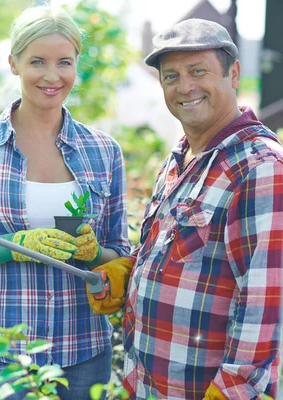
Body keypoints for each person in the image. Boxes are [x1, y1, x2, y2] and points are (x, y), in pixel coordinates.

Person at [0, 6, 130, 399]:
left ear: (76, 65)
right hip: (0, 356)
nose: (52, 76)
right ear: (13, 64)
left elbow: (122, 254)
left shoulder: (103, 151)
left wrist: (96, 252)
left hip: (85, 353)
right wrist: (9, 249)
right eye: (38, 62)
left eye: (64, 62)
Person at [87, 18, 283, 399]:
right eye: (171, 76)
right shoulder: (181, 158)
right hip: (147, 386)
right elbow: (184, 256)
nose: (185, 87)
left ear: (234, 73)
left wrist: (230, 392)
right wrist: (129, 275)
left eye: (198, 71)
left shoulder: (259, 167)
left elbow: (267, 301)